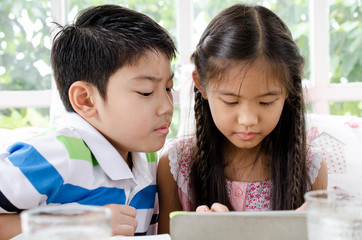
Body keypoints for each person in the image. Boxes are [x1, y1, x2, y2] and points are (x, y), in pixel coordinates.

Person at [0, 4, 176, 239]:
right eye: (146, 92)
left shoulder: (148, 157)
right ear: (85, 100)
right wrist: (81, 225)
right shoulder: (56, 154)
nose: (167, 106)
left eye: (168, 88)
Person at [157, 3, 328, 233]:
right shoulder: (178, 164)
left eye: (266, 102)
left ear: (289, 90)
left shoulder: (309, 167)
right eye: (231, 101)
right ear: (201, 85)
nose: (248, 119)